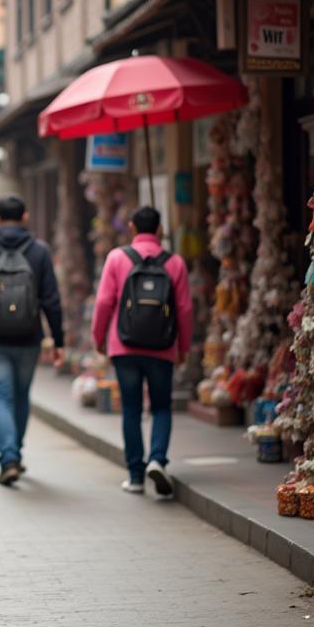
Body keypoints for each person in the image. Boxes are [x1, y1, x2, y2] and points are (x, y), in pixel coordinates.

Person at [0, 195, 64, 486]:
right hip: (30, 337)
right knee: (21, 395)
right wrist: (58, 340)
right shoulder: (39, 252)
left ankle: (9, 458)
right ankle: (15, 452)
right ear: (25, 217)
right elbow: (51, 300)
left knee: (2, 396)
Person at [92, 205, 192, 498]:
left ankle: (135, 475)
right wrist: (183, 347)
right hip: (162, 347)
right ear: (160, 230)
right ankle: (158, 460)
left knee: (132, 409)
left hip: (124, 347)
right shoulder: (175, 263)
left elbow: (103, 303)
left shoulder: (117, 258)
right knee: (161, 406)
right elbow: (185, 310)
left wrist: (99, 339)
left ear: (132, 227)